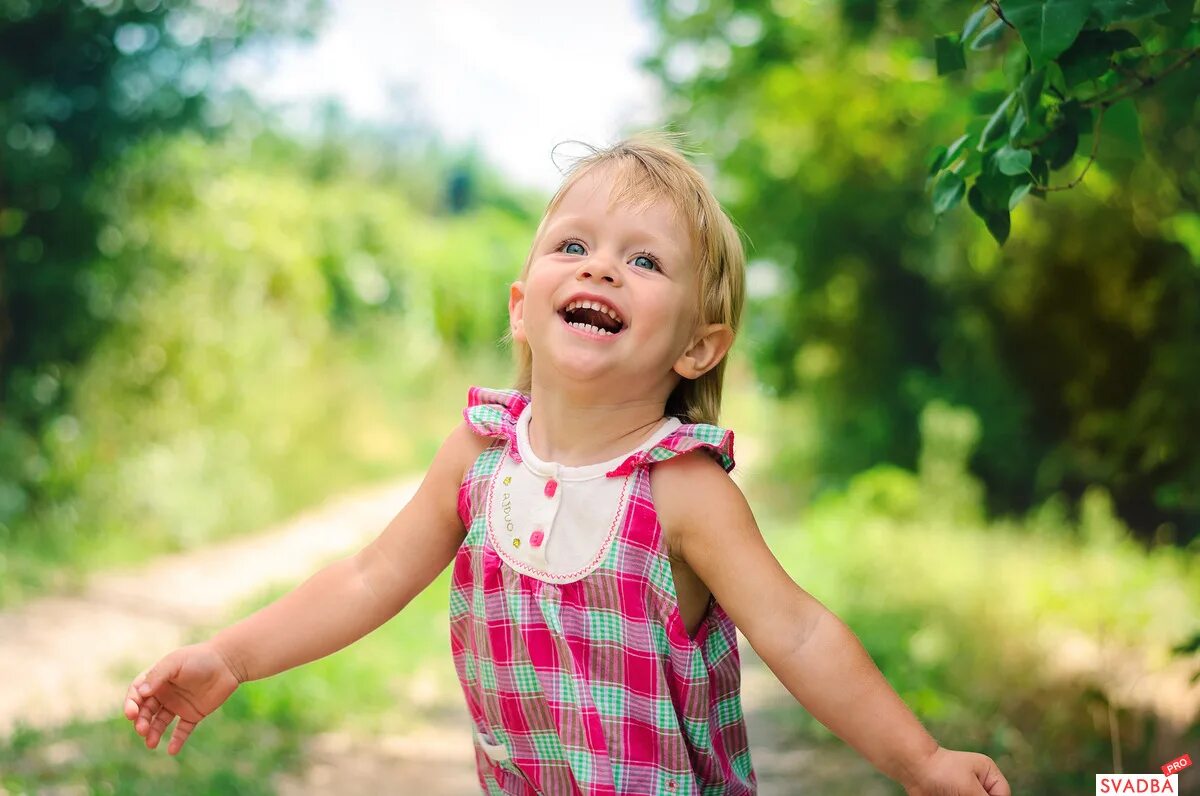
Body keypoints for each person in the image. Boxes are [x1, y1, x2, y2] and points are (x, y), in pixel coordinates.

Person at [123, 132, 1011, 796]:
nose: (604, 271)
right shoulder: (479, 454)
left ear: (699, 348)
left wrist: (920, 761)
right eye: (574, 247)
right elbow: (366, 577)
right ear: (522, 306)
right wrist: (233, 657)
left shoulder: (681, 487)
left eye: (645, 260)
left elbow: (801, 634)